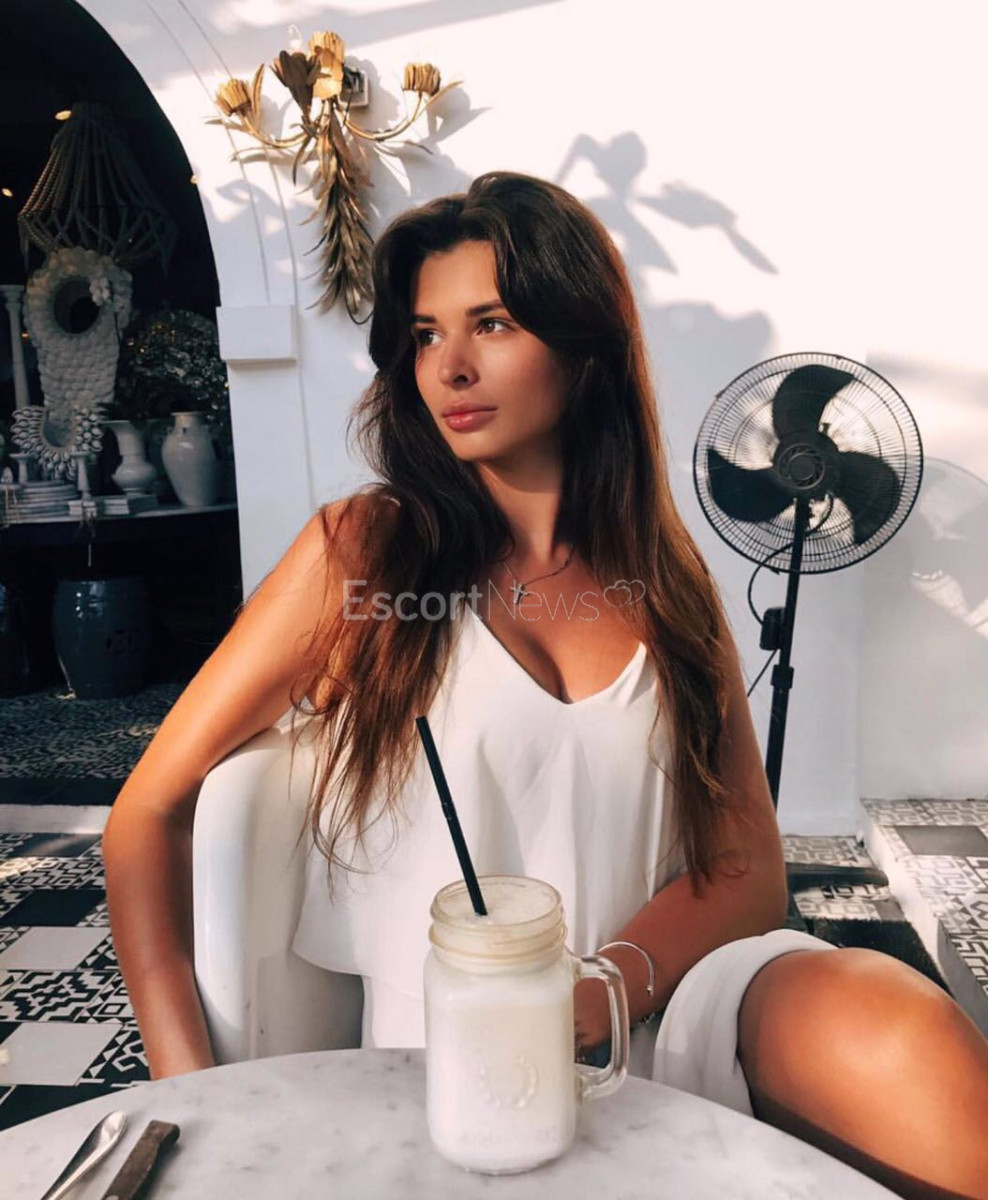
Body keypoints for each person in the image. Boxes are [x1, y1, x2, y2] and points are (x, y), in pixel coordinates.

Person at [103, 171, 988, 1200]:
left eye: (492, 323)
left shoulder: (664, 579)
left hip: (656, 1017)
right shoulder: (366, 555)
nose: (450, 366)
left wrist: (599, 990)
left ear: (581, 342)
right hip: (459, 1073)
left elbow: (746, 868)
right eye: (425, 334)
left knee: (906, 1035)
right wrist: (194, 1096)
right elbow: (147, 815)